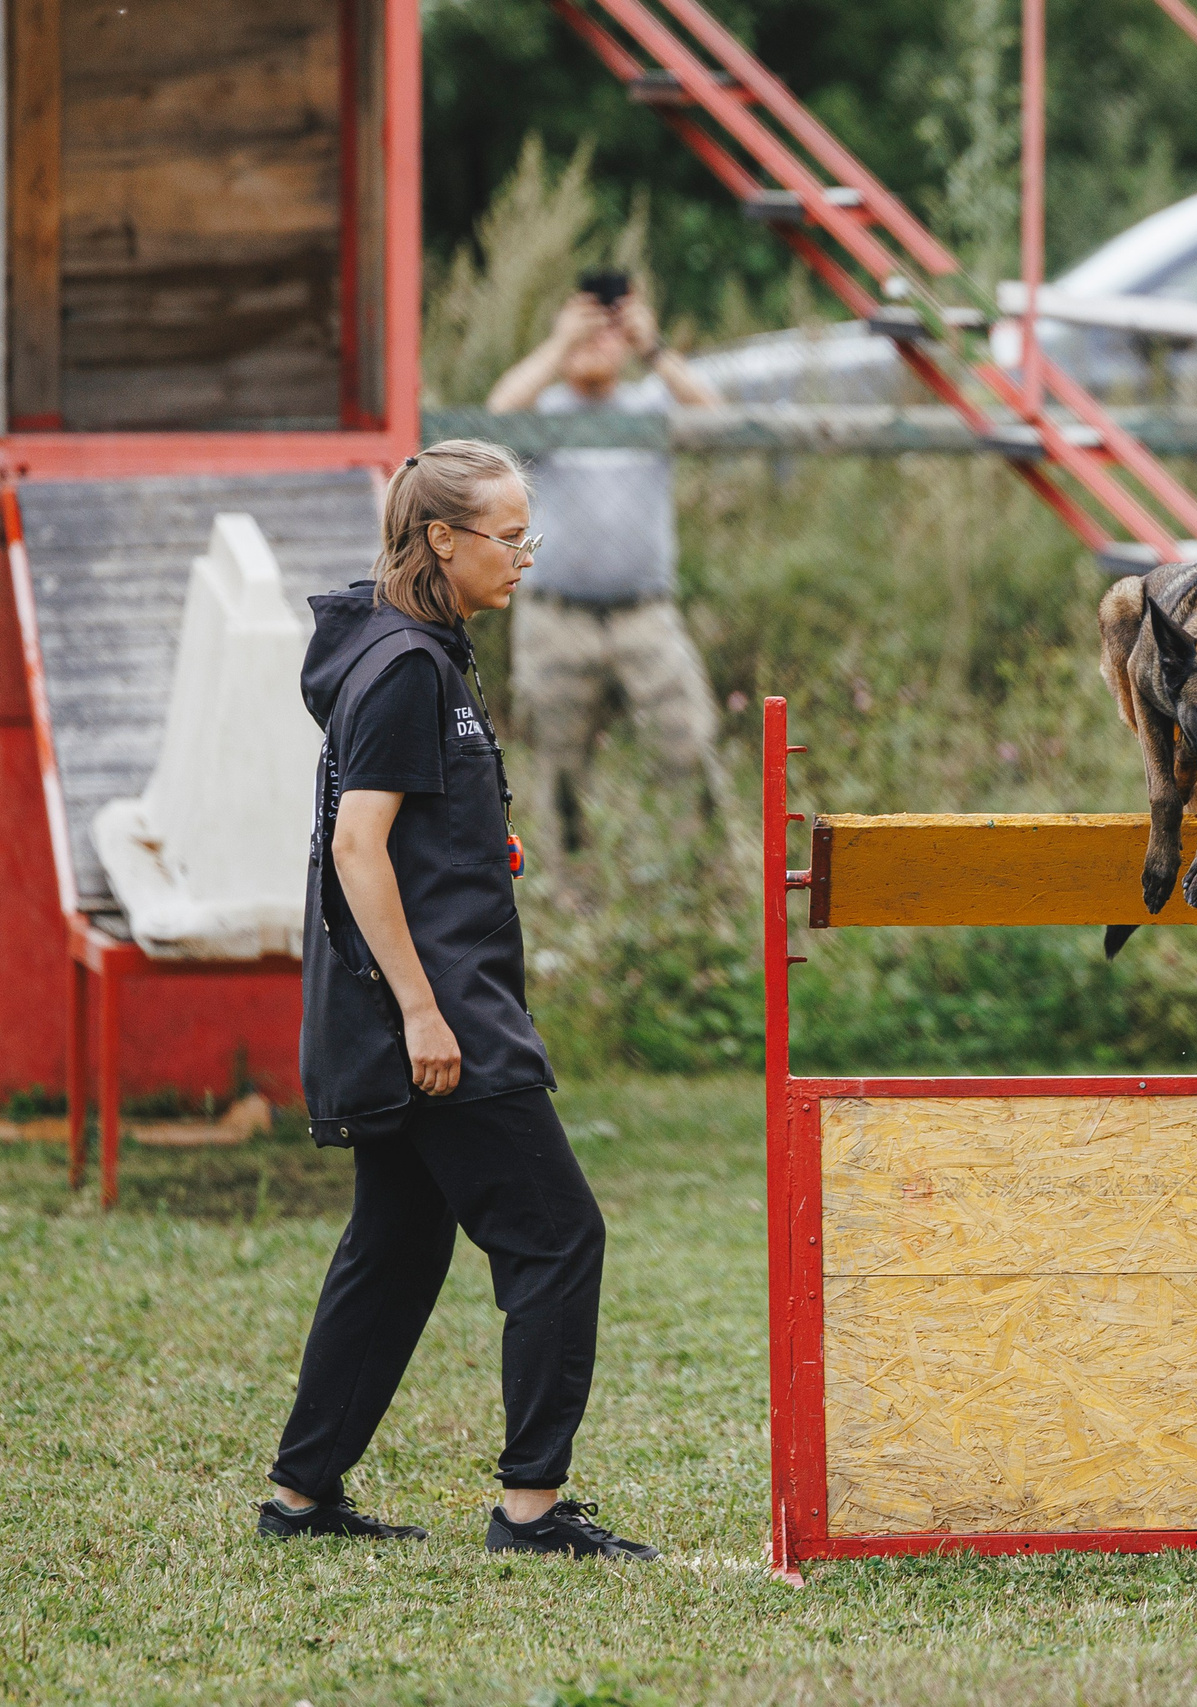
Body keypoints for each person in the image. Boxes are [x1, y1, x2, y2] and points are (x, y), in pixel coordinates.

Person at [262, 440, 655, 1560]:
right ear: (443, 540)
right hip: (439, 1015)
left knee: (396, 1244)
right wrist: (424, 1013)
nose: (527, 556)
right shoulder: (404, 667)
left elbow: (410, 835)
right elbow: (358, 845)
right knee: (557, 1235)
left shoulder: (420, 649)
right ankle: (532, 1508)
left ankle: (301, 1495)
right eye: (510, 536)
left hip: (432, 999)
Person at [488, 275, 724, 853]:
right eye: (586, 323)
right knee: (560, 771)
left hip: (645, 616)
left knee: (688, 745)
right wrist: (560, 344)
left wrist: (653, 349)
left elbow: (718, 420)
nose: (597, 338)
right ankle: (572, 891)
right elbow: (496, 416)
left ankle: (702, 874)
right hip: (556, 619)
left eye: (609, 326)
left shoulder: (650, 404)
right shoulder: (542, 410)